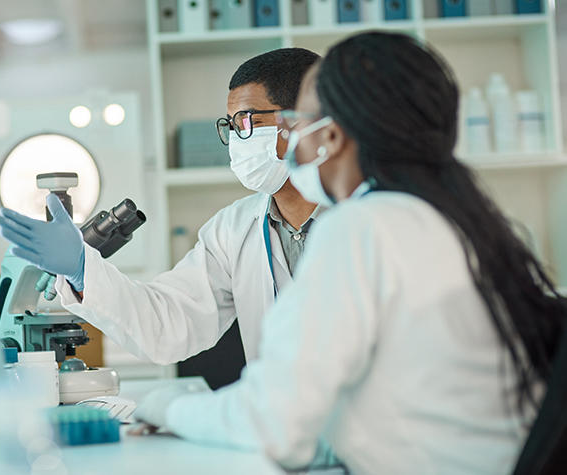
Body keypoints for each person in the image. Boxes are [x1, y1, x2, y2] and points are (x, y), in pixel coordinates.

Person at [133, 32, 567, 474]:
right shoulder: (459, 218)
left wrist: (167, 406)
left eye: (296, 121)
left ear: (332, 134)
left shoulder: (363, 227)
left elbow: (274, 422)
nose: (288, 138)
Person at [0, 48, 323, 374]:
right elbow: (168, 326)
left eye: (246, 121)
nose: (236, 138)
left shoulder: (366, 217)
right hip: (282, 422)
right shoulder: (232, 230)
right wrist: (83, 268)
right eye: (230, 126)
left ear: (303, 119)